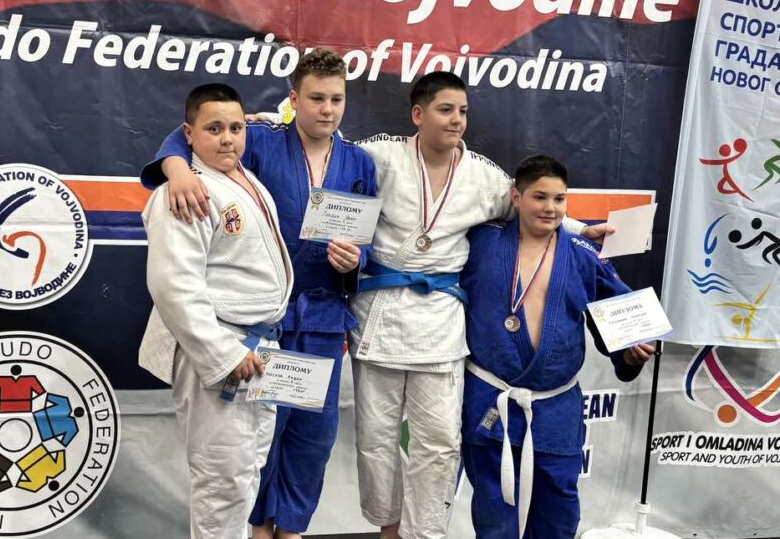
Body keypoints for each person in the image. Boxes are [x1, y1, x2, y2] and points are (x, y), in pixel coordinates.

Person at [348, 72, 610, 539]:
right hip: (381, 312)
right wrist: (273, 124)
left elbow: (532, 205)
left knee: (440, 444)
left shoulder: (484, 177)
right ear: (418, 114)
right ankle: (389, 528)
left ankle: (424, 534)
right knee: (376, 437)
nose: (457, 120)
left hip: (441, 320)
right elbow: (327, 157)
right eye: (446, 110)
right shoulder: (379, 156)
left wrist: (577, 228)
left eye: (463, 111)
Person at [140, 49, 377, 539]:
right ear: (294, 99)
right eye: (316, 98)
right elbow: (193, 134)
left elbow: (366, 240)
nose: (327, 109)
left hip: (321, 317)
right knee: (237, 457)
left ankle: (290, 529)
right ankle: (257, 530)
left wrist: (357, 261)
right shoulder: (259, 140)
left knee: (302, 440)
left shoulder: (357, 162)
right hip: (259, 325)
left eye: (336, 99)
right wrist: (175, 168)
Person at [459, 155, 655, 539]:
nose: (550, 208)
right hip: (491, 397)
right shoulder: (480, 243)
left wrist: (630, 351)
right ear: (516, 197)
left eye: (559, 199)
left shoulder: (583, 252)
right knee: (494, 513)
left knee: (559, 512)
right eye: (539, 197)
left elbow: (618, 312)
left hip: (555, 405)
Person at [137, 83, 293, 539]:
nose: (227, 138)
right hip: (225, 345)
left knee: (245, 473)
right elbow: (173, 286)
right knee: (221, 481)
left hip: (259, 346)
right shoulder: (184, 192)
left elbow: (286, 120)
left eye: (235, 128)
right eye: (214, 129)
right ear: (188, 134)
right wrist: (221, 353)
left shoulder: (245, 178)